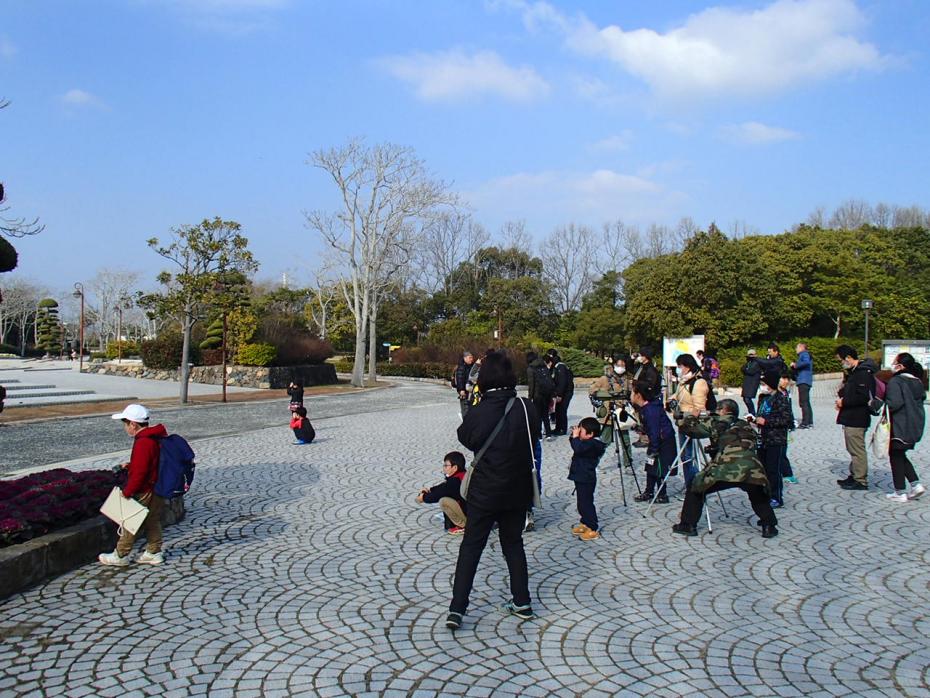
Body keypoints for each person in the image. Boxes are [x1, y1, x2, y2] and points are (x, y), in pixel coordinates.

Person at [447, 351, 540, 631]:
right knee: (513, 544)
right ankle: (522, 600)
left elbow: (465, 436)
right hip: (517, 489)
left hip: (486, 490)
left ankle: (457, 608)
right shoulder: (526, 407)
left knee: (472, 546)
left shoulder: (481, 409)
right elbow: (534, 434)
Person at [672, 399, 778, 538]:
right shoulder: (745, 425)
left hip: (725, 468)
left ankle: (688, 525)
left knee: (696, 486)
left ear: (723, 410)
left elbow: (690, 429)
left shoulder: (717, 422)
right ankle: (769, 526)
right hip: (752, 468)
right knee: (757, 493)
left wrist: (691, 416)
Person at [99, 404, 168, 566]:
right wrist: (130, 465)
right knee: (152, 520)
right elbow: (150, 463)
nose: (125, 428)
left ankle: (121, 555)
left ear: (133, 424)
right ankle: (154, 551)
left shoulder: (143, 442)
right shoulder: (154, 437)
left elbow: (140, 473)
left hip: (145, 489)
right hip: (157, 486)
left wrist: (128, 491)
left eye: (125, 423)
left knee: (130, 521)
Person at [885, 353, 927, 502]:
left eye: (895, 362)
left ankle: (900, 491)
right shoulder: (917, 381)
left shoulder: (896, 381)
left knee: (895, 455)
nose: (893, 364)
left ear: (901, 366)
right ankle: (915, 485)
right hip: (915, 424)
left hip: (900, 425)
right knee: (900, 454)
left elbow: (894, 403)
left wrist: (878, 404)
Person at [835, 345, 876, 491]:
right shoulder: (854, 372)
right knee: (852, 448)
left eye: (841, 360)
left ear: (848, 358)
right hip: (851, 416)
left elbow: (862, 397)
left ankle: (861, 479)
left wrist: (844, 401)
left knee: (857, 449)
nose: (841, 363)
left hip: (857, 417)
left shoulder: (863, 373)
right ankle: (854, 474)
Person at [752, 371, 793, 508]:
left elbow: (785, 419)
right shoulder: (763, 398)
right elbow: (760, 415)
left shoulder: (781, 399)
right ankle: (765, 494)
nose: (762, 387)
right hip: (763, 438)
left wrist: (766, 421)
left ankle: (776, 497)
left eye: (764, 384)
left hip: (776, 439)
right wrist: (755, 420)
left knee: (773, 470)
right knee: (763, 468)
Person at [630, 384, 676, 504]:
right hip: (656, 440)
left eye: (632, 393)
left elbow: (655, 430)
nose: (631, 395)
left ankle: (662, 494)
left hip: (663, 441)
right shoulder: (645, 408)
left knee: (659, 467)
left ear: (638, 395)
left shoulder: (651, 409)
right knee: (650, 466)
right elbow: (650, 427)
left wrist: (654, 449)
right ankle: (649, 492)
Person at [670, 353, 710, 487]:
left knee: (690, 457)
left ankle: (695, 485)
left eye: (679, 366)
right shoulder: (684, 381)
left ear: (687, 367)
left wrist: (685, 415)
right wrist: (670, 401)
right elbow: (677, 396)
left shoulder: (698, 382)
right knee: (684, 457)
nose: (678, 369)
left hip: (692, 424)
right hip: (682, 423)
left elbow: (699, 408)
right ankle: (689, 485)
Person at [567, 417, 608, 540]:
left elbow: (578, 448)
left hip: (586, 478)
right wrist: (573, 436)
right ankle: (585, 523)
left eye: (581, 431)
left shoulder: (592, 445)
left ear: (590, 434)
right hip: (581, 477)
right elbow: (576, 445)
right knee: (581, 503)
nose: (578, 432)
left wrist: (575, 438)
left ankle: (592, 527)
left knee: (586, 503)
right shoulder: (586, 443)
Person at [417, 451, 468, 534]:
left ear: (455, 468)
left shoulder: (455, 482)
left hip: (470, 515)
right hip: (473, 513)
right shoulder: (462, 475)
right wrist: (430, 490)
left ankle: (464, 525)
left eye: (446, 465)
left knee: (444, 501)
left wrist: (423, 498)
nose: (444, 467)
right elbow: (443, 487)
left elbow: (437, 495)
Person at [632, 346, 660, 448]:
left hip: (646, 399)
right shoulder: (641, 366)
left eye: (641, 355)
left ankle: (647, 439)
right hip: (638, 398)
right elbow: (630, 367)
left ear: (645, 356)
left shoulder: (650, 369)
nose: (639, 357)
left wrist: (637, 383)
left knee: (646, 419)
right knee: (639, 419)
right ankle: (642, 437)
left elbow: (650, 385)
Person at [526, 351, 554, 440]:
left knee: (537, 416)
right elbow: (550, 380)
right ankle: (548, 434)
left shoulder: (530, 368)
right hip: (547, 394)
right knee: (545, 414)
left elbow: (531, 385)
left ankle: (538, 435)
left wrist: (530, 397)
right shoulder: (543, 366)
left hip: (537, 395)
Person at [547, 350, 574, 436]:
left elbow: (562, 382)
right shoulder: (557, 366)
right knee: (558, 410)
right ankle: (558, 428)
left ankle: (562, 429)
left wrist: (559, 395)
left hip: (566, 393)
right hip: (563, 392)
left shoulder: (560, 367)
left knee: (562, 410)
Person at [792, 343, 814, 429]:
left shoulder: (804, 354)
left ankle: (805, 423)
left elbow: (806, 362)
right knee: (806, 402)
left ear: (802, 347)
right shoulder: (805, 354)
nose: (795, 349)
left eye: (797, 347)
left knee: (803, 402)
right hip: (806, 381)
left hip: (803, 381)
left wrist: (795, 365)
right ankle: (809, 421)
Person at [452, 351, 476, 419]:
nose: (471, 359)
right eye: (470, 358)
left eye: (472, 358)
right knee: (465, 409)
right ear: (465, 358)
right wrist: (461, 390)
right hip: (464, 392)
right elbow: (459, 379)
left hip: (470, 391)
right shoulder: (461, 367)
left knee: (469, 408)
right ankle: (465, 422)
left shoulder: (471, 366)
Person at [741, 349, 762, 416]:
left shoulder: (757, 363)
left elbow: (751, 371)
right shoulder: (748, 362)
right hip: (747, 381)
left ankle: (752, 413)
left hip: (753, 382)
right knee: (745, 398)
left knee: (748, 398)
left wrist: (746, 370)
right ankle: (751, 412)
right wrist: (746, 368)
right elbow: (742, 368)